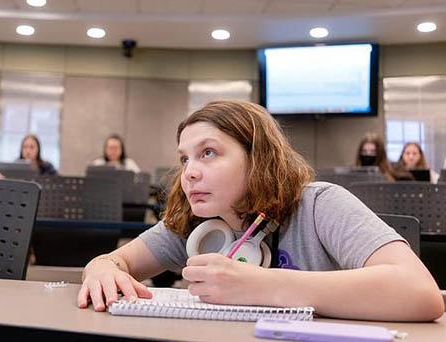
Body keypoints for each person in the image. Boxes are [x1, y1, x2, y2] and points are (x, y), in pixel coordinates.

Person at [78, 100, 444, 322]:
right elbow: (118, 261)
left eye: (208, 152)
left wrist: (261, 285)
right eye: (184, 158)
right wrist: (101, 267)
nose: (189, 171)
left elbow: (420, 293)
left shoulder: (320, 204)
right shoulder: (196, 222)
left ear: (259, 158)